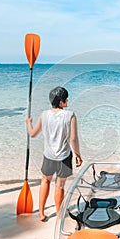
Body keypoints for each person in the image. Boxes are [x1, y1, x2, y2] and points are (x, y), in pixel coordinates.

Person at [26, 86, 83, 221]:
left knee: (45, 180)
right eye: (66, 99)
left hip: (48, 155)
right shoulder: (70, 115)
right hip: (64, 156)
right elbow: (73, 139)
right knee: (60, 185)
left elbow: (33, 134)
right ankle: (59, 214)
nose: (67, 101)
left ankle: (41, 213)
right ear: (61, 102)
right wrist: (78, 155)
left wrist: (28, 123)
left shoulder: (44, 115)